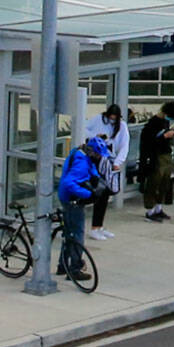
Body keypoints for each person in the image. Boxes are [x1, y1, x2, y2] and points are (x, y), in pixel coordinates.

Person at [55, 134, 106, 282]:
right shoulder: (82, 163)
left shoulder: (80, 153)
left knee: (68, 233)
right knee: (77, 234)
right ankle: (75, 268)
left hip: (67, 199)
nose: (99, 158)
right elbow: (68, 183)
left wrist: (96, 177)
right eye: (97, 155)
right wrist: (88, 194)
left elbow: (91, 168)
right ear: (91, 152)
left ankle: (62, 265)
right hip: (72, 202)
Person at [81, 104, 129, 239]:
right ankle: (95, 227)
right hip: (96, 160)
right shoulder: (98, 119)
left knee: (106, 194)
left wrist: (118, 162)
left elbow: (124, 145)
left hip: (110, 162)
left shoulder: (122, 126)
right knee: (99, 193)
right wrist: (95, 136)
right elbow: (83, 128)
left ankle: (99, 226)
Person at [140, 101, 174, 222]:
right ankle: (150, 210)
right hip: (155, 157)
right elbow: (149, 143)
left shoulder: (165, 122)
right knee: (154, 182)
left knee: (164, 182)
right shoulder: (152, 124)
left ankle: (158, 208)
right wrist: (164, 136)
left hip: (165, 154)